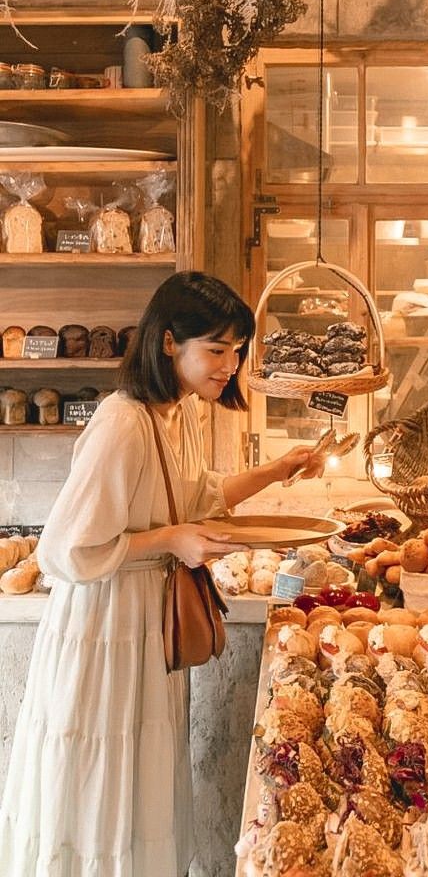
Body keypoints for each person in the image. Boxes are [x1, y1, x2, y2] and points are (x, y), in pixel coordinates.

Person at [0, 271, 321, 876]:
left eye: (239, 351)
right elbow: (63, 550)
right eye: (218, 350)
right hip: (104, 625)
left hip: (149, 622)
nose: (231, 365)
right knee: (100, 774)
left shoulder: (176, 413)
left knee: (137, 775)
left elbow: (199, 494)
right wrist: (173, 540)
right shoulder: (122, 422)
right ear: (170, 341)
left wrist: (277, 470)